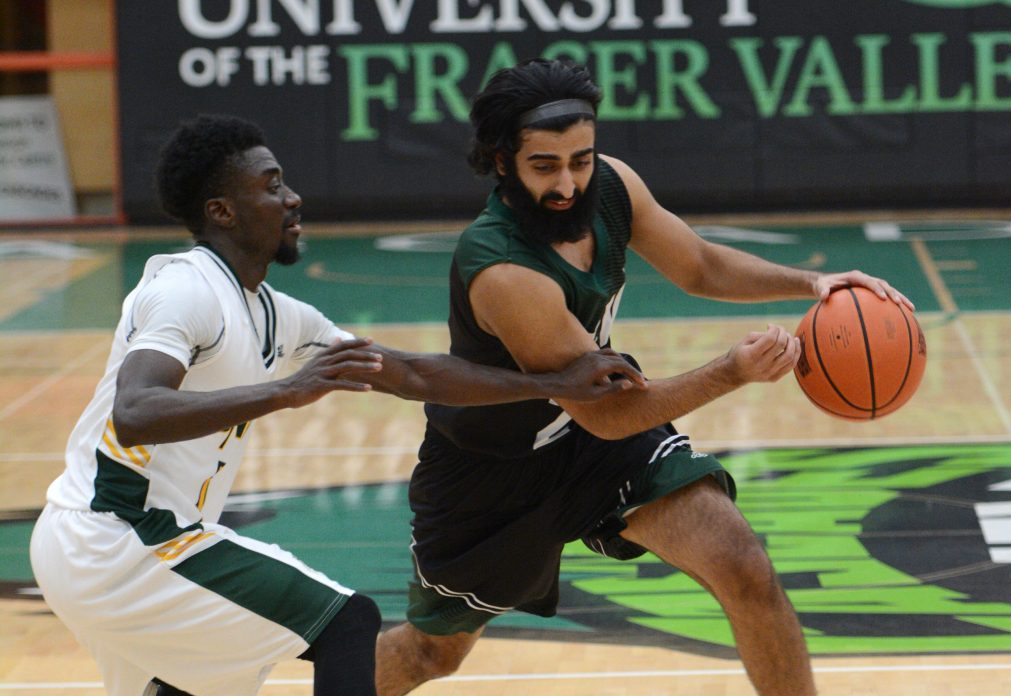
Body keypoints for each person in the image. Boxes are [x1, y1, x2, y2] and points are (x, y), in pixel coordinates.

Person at [28, 114, 647, 696]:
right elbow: (134, 411)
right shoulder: (184, 291)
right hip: (117, 538)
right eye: (272, 187)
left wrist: (554, 383)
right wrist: (284, 391)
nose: (292, 198)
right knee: (346, 623)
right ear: (222, 211)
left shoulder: (276, 312)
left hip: (111, 549)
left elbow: (410, 373)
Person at [374, 58, 916, 696]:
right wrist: (731, 372)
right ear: (501, 163)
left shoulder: (611, 187)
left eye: (581, 158)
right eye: (545, 165)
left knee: (743, 566)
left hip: (593, 444)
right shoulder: (503, 269)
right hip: (492, 473)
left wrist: (812, 282)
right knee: (430, 656)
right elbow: (606, 411)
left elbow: (702, 268)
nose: (570, 182)